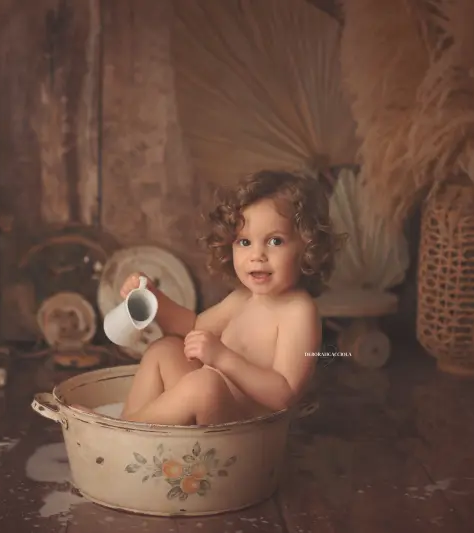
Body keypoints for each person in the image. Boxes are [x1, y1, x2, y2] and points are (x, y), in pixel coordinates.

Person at [117, 169, 343, 426]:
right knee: (165, 349)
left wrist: (222, 357)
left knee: (205, 383)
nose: (257, 256)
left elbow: (285, 393)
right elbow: (193, 327)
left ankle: (125, 431)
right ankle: (126, 423)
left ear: (308, 245)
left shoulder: (299, 311)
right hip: (209, 408)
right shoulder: (243, 298)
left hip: (242, 430)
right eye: (244, 242)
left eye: (275, 241)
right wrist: (152, 297)